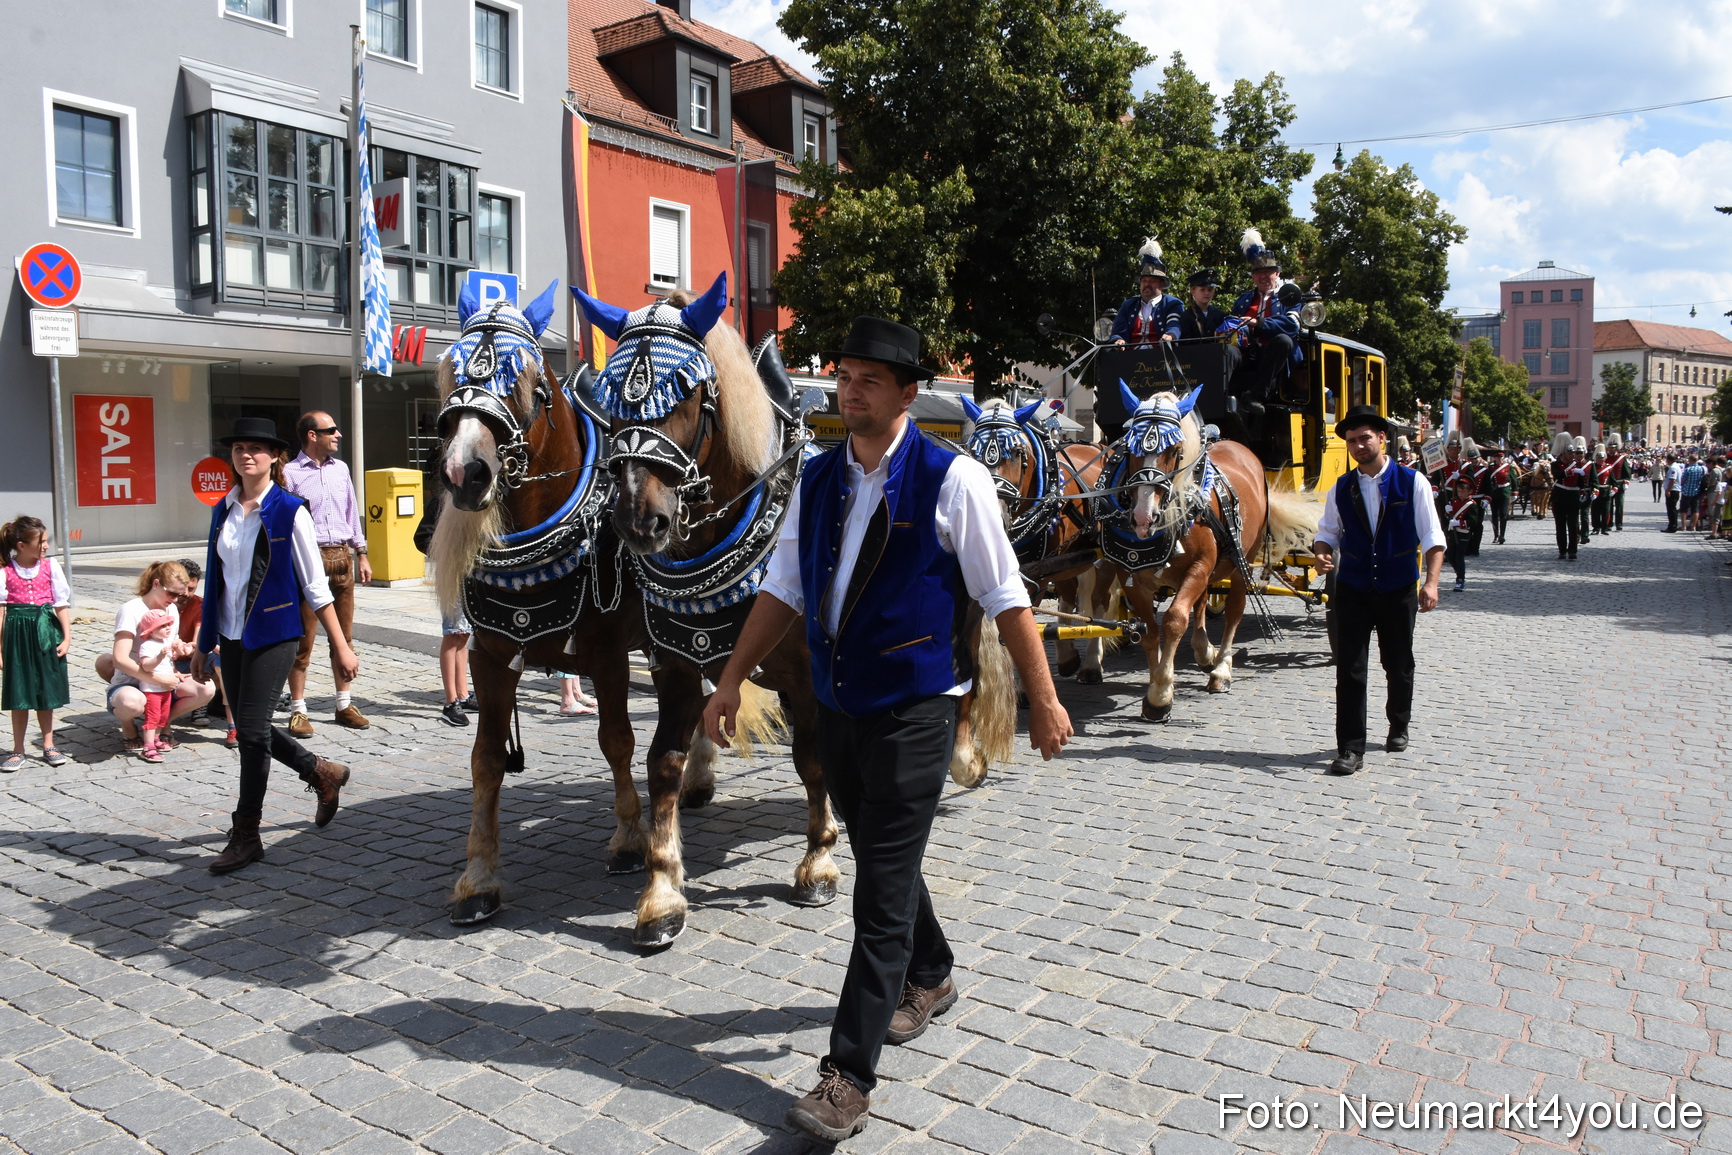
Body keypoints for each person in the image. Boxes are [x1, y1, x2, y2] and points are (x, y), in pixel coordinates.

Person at [701, 316, 1073, 1143]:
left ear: (909, 393)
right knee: (881, 854)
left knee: (877, 891)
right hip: (836, 704)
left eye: (872, 378)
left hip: (917, 706)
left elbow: (1007, 596)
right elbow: (785, 587)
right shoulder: (820, 477)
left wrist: (1042, 699)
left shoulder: (954, 480)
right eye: (845, 374)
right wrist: (729, 678)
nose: (852, 388)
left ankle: (848, 1076)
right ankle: (932, 972)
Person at [191, 417, 359, 875]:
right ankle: (321, 772)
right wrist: (204, 643)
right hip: (232, 635)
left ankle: (246, 835)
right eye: (239, 447)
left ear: (274, 457)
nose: (247, 455)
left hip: (277, 634)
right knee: (252, 731)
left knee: (249, 732)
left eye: (257, 448)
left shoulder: (290, 510)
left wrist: (341, 646)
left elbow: (316, 587)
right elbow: (217, 582)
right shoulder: (222, 508)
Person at [1311, 405, 1445, 778]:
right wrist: (1322, 554)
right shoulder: (1342, 487)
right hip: (1352, 587)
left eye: (1364, 438)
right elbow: (1327, 532)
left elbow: (1433, 538)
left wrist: (1430, 582)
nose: (1358, 446)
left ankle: (1398, 723)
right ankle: (1350, 748)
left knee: (1398, 663)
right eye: (1351, 441)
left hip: (1398, 586)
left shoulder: (1412, 481)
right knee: (1350, 670)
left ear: (1382, 438)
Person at [281, 410, 372, 737]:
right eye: (330, 430)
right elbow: (288, 523)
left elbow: (351, 511)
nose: (339, 434)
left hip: (341, 557)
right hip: (309, 559)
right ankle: (298, 710)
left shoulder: (341, 469)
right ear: (311, 435)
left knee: (343, 637)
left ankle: (344, 704)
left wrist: (361, 552)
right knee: (303, 640)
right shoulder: (290, 473)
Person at [98, 561, 216, 752]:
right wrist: (159, 680)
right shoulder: (131, 610)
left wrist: (180, 647)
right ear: (155, 584)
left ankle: (159, 723)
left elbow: (169, 642)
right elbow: (120, 659)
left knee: (206, 688)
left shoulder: (170, 609)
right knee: (131, 703)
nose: (176, 599)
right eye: (172, 593)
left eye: (180, 595)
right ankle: (128, 725)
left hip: (162, 679)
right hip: (131, 680)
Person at [0, 517, 71, 772]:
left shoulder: (51, 567)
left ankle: (49, 744)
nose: (45, 546)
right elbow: (1, 613)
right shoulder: (5, 569)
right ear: (21, 545)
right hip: (16, 635)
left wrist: (66, 637)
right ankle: (18, 749)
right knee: (19, 691)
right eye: (40, 542)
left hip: (45, 631)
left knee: (45, 690)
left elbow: (60, 604)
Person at [413, 497, 476, 726]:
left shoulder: (475, 498)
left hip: (473, 573)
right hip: (454, 573)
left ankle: (463, 693)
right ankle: (451, 701)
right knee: (453, 634)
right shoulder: (441, 501)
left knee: (464, 634)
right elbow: (422, 537)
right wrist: (449, 555)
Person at [1224, 228, 1301, 416]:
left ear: (1277, 274)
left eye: (1269, 271)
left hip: (1274, 358)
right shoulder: (1243, 300)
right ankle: (1217, 395)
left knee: (1284, 340)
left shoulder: (1290, 295)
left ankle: (1255, 396)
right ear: (1253, 276)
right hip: (1249, 353)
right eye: (1258, 272)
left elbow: (1292, 326)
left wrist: (1259, 324)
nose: (1263, 276)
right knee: (1227, 350)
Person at [133, 609, 188, 763]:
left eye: (168, 624)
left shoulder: (165, 643)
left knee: (163, 717)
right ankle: (148, 746)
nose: (168, 628)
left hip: (165, 689)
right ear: (151, 630)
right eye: (162, 626)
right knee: (152, 718)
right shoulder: (147, 646)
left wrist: (176, 673)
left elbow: (168, 665)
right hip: (152, 689)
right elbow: (147, 666)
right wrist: (159, 656)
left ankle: (156, 739)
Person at [1109, 238, 1182, 346]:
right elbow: (1118, 331)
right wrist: (1119, 340)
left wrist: (1170, 335)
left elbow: (1174, 325)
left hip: (1160, 357)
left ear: (1161, 284)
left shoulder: (1172, 304)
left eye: (1152, 281)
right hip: (1131, 358)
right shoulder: (1128, 305)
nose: (1147, 284)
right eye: (1144, 281)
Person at [1552, 433, 1589, 560]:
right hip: (1560, 496)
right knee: (1560, 525)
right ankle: (1562, 550)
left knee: (1573, 525)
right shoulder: (1555, 464)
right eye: (1570, 453)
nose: (1573, 455)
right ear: (1563, 454)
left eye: (1573, 453)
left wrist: (1583, 490)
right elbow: (1558, 475)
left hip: (1573, 496)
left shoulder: (1576, 464)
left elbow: (1580, 482)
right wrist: (1571, 471)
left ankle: (1573, 550)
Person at [1442, 476, 1479, 592]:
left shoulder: (1471, 504)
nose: (1461, 493)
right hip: (1452, 533)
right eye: (1459, 491)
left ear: (1469, 491)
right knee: (1449, 556)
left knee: (1459, 557)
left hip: (1463, 534)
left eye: (1463, 491)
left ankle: (1460, 580)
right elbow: (1448, 517)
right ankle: (1459, 573)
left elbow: (1473, 521)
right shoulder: (1453, 501)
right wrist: (1447, 512)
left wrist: (1460, 522)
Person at [1483, 443, 1516, 545]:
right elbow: (1487, 481)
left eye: (1501, 456)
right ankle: (1496, 535)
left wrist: (1515, 492)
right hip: (1494, 493)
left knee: (1503, 514)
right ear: (1494, 458)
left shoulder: (1508, 467)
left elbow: (1514, 480)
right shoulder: (1490, 468)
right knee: (1494, 515)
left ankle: (1502, 535)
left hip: (1505, 492)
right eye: (1497, 456)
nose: (1500, 458)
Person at [1680, 451, 1708, 532]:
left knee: (1683, 509)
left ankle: (1684, 526)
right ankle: (1693, 526)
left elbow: (1683, 480)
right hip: (1697, 491)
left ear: (1690, 460)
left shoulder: (1688, 469)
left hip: (1687, 491)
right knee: (1695, 510)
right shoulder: (1702, 469)